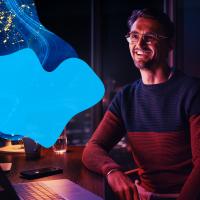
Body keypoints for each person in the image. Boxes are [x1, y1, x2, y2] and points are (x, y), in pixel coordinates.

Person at [82, 8, 200, 200]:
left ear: (170, 44)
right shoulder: (125, 97)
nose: (139, 43)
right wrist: (112, 172)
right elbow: (93, 148)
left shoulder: (193, 92)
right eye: (134, 36)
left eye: (150, 36)